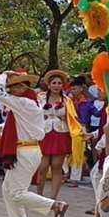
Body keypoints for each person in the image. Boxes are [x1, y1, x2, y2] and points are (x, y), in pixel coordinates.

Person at [0, 71, 69, 217]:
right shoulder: (29, 103)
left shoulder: (24, 102)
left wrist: (3, 75)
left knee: (17, 193)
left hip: (26, 151)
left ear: (22, 87)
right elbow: (22, 126)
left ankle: (55, 205)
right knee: (7, 188)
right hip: (27, 148)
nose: (11, 91)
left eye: (14, 87)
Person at [36, 70, 85, 200]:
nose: (56, 86)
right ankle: (39, 195)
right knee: (42, 166)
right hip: (44, 133)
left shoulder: (67, 100)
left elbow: (73, 117)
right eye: (54, 83)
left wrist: (79, 131)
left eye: (59, 83)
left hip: (61, 134)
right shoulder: (40, 97)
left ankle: (53, 197)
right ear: (49, 84)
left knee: (57, 166)